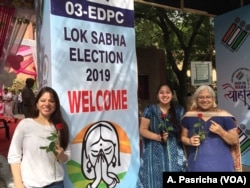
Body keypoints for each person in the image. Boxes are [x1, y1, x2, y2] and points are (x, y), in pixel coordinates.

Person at [8, 86, 71, 188]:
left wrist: (62, 156)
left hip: (56, 184)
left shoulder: (61, 127)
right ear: (37, 104)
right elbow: (14, 155)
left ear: (56, 105)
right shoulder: (25, 124)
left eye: (51, 101)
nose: (47, 104)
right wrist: (18, 183)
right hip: (29, 184)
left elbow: (66, 156)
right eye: (43, 100)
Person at [181, 85, 241, 172]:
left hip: (222, 166)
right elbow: (183, 137)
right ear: (196, 99)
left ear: (213, 99)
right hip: (197, 166)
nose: (205, 100)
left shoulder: (224, 116)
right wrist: (189, 141)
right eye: (201, 97)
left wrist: (221, 132)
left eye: (208, 97)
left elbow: (235, 140)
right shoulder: (189, 117)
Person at [137, 82, 187, 188]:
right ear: (157, 95)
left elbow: (183, 132)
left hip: (174, 152)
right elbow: (143, 130)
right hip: (153, 151)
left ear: (172, 95)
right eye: (161, 93)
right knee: (153, 180)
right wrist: (158, 137)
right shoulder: (150, 109)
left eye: (168, 92)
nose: (165, 95)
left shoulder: (179, 110)